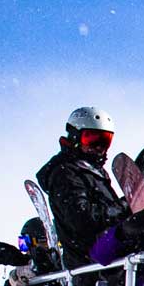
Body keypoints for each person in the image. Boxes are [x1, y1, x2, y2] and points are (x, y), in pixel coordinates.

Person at [35, 107, 127, 265]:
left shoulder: (93, 172)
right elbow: (81, 219)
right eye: (92, 139)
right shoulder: (65, 173)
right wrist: (122, 207)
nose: (99, 147)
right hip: (91, 265)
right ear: (75, 137)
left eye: (105, 141)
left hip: (108, 257)